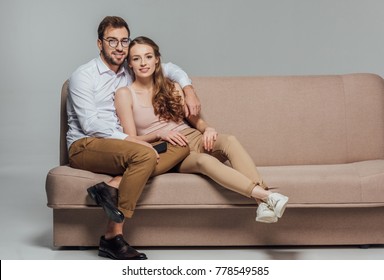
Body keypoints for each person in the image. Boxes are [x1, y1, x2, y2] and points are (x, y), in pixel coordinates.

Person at [114, 36, 289, 225]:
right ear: (129, 64)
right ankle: (267, 196)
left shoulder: (171, 86)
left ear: (157, 59)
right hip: (170, 150)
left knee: (228, 140)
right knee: (203, 161)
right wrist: (159, 134)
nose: (143, 63)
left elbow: (195, 121)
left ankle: (264, 203)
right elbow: (131, 139)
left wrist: (208, 129)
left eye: (148, 57)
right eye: (136, 58)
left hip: (193, 137)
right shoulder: (125, 94)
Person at [66, 16, 199, 260]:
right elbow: (90, 125)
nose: (119, 47)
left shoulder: (129, 69)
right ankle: (113, 237)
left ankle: (111, 187)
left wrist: (188, 90)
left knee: (179, 144)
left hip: (119, 145)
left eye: (124, 41)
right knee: (145, 153)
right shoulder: (83, 76)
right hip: (85, 145)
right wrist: (132, 139)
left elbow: (170, 68)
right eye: (112, 41)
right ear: (99, 44)